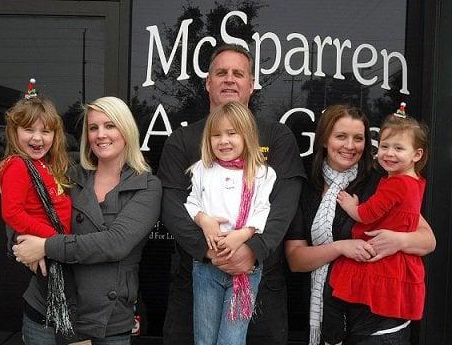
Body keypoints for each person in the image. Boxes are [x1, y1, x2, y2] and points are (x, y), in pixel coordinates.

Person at [158, 43, 305, 345]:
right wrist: (208, 249)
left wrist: (254, 248)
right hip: (197, 278)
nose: (229, 79)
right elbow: (171, 202)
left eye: (238, 73)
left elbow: (285, 201)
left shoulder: (277, 137)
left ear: (251, 85)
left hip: (260, 280)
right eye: (221, 72)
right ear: (208, 82)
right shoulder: (183, 140)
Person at [13, 96, 162, 344]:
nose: (100, 134)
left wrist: (45, 246)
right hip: (47, 308)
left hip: (108, 321)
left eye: (110, 125)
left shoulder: (147, 186)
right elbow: (20, 208)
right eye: (93, 128)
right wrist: (19, 245)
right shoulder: (68, 176)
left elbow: (115, 243)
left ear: (126, 130)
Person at [284, 104, 436, 345]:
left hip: (378, 319)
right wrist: (342, 247)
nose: (349, 146)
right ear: (324, 140)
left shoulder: (381, 183)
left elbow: (428, 240)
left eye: (358, 138)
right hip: (324, 314)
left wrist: (399, 240)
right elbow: (295, 260)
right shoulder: (305, 186)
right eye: (341, 136)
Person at [323, 109, 429, 344]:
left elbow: (428, 239)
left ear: (417, 154)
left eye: (398, 148)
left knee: (336, 292)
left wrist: (352, 206)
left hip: (378, 266)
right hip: (386, 269)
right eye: (384, 146)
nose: (389, 154)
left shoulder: (391, 183)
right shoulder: (412, 182)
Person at [184, 101, 277, 344]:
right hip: (207, 267)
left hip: (246, 268)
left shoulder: (261, 173)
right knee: (204, 338)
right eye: (216, 135)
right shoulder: (202, 169)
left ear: (246, 135)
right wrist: (205, 221)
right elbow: (192, 203)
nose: (223, 141)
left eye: (232, 133)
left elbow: (262, 211)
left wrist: (241, 235)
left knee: (232, 339)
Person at [0, 79, 75, 340]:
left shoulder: (45, 166)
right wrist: (50, 239)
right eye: (29, 130)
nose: (38, 138)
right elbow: (12, 213)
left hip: (56, 249)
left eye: (46, 131)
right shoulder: (18, 166)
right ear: (14, 132)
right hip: (51, 248)